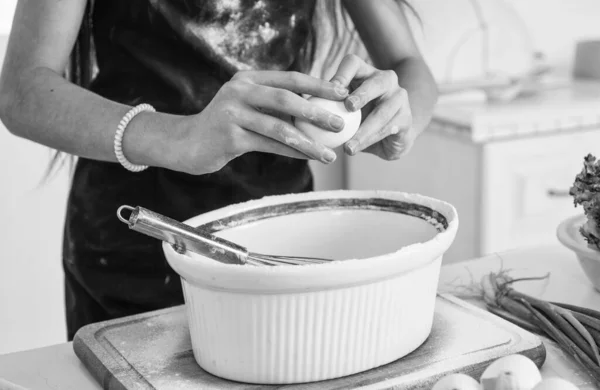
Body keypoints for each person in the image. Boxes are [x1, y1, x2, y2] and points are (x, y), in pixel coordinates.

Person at [0, 0, 438, 340]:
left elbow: (409, 65)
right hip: (130, 246)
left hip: (279, 238)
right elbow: (22, 90)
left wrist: (400, 117)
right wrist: (182, 137)